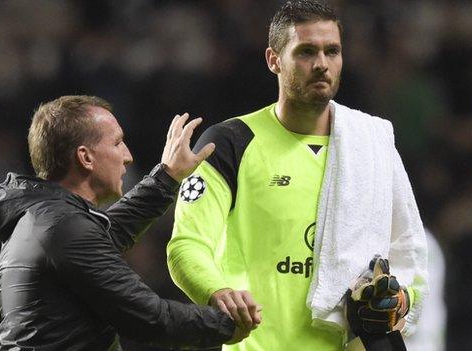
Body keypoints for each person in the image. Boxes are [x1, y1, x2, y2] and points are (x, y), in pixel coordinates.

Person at [166, 1, 428, 350]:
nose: (321, 64)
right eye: (306, 52)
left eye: (331, 51)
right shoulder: (231, 143)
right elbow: (186, 245)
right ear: (273, 59)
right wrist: (218, 292)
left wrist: (402, 301)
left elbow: (408, 250)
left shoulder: (372, 144)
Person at [0, 95, 250, 350]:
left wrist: (167, 177)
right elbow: (150, 318)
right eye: (117, 143)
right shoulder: (62, 228)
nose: (128, 156)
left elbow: (109, 231)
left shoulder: (47, 219)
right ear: (85, 157)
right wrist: (229, 324)